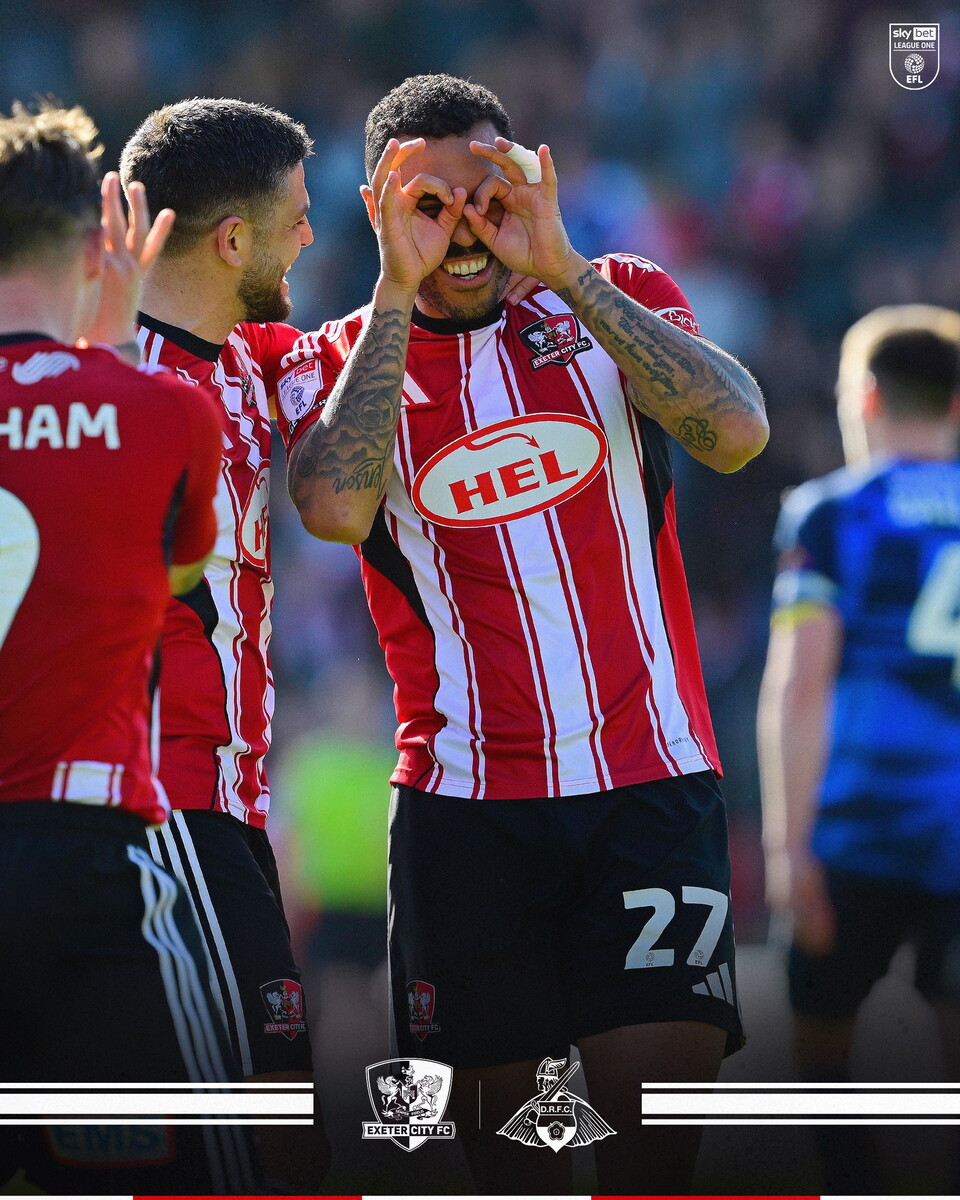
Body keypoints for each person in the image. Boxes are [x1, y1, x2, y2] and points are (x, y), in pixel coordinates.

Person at [277, 73, 769, 1194]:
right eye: (430, 203)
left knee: (648, 1156)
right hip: (464, 813)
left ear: (531, 180)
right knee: (507, 1166)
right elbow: (335, 512)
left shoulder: (616, 295)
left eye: (489, 192)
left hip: (649, 786)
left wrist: (566, 268)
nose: (466, 227)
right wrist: (397, 292)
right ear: (378, 207)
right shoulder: (341, 358)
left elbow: (738, 434)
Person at [0, 100, 261, 1194]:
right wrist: (107, 349)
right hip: (98, 851)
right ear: (102, 245)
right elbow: (168, 583)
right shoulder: (167, 413)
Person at [118, 98, 327, 1191]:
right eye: (296, 216)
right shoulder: (104, 379)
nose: (310, 236)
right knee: (256, 1150)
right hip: (160, 818)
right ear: (232, 239)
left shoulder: (255, 361)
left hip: (227, 816)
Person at [758, 304, 960, 1193]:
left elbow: (802, 684)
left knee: (819, 1038)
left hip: (859, 821)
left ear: (866, 398)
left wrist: (786, 844)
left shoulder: (831, 512)